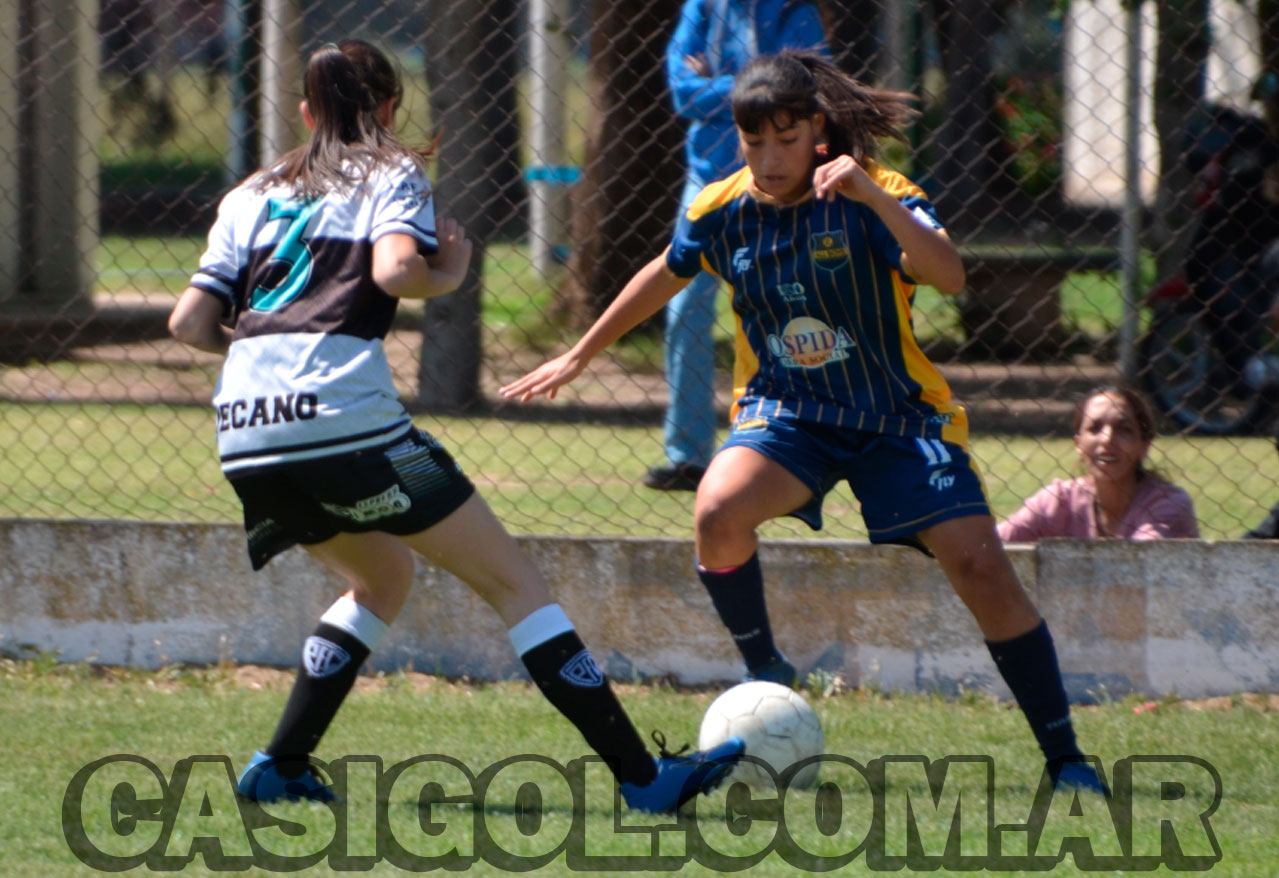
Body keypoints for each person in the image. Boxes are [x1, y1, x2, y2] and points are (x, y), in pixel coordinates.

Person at [503, 51, 1108, 793]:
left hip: (898, 416)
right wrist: (580, 352)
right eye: (753, 141)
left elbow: (949, 274)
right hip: (788, 412)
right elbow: (667, 269)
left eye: (786, 140)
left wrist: (871, 195)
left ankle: (1064, 757)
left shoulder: (877, 192)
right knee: (717, 511)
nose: (768, 158)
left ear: (818, 130)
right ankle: (767, 672)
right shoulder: (721, 208)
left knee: (981, 567)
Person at [167, 39, 741, 813]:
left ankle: (281, 765)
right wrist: (454, 271)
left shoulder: (251, 192)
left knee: (382, 578)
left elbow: (188, 322)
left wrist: (266, 352)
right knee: (515, 585)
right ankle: (643, 781)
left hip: (244, 432)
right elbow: (395, 271)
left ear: (306, 113)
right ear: (389, 109)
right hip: (342, 422)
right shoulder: (392, 169)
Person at [645, 0, 828, 492]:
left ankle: (799, 442)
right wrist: (754, 90)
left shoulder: (793, 10)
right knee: (685, 308)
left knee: (795, 306)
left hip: (783, 186)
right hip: (708, 179)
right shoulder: (703, 8)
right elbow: (683, 95)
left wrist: (720, 85)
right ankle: (687, 456)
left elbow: (807, 94)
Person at [998, 386, 1199, 542]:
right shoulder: (1058, 501)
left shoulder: (1168, 504)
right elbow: (992, 546)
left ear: (1144, 447)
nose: (1107, 439)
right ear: (1078, 444)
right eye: (1095, 428)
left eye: (1124, 429)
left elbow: (1134, 567)